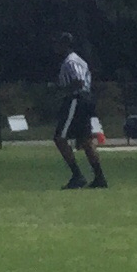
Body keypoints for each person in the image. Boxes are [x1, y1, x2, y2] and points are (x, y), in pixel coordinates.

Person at [53, 37, 106, 190]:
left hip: (76, 99)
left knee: (60, 137)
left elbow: (79, 81)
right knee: (86, 140)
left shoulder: (71, 61)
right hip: (85, 99)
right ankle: (99, 177)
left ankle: (77, 176)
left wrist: (62, 90)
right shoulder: (78, 60)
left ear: (65, 45)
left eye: (58, 44)